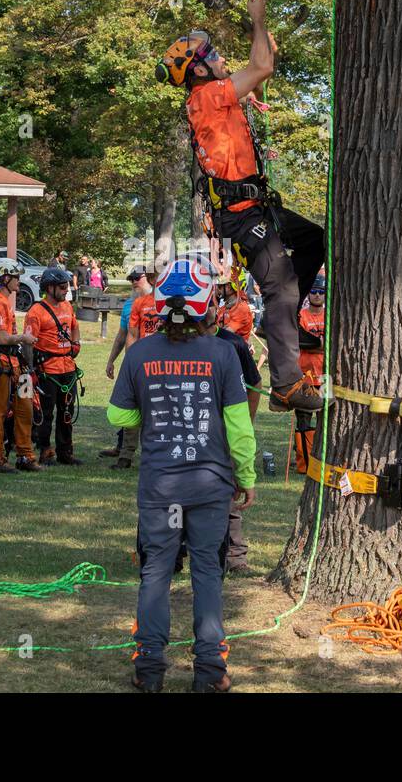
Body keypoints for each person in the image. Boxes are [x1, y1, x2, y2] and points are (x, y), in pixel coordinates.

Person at [156, 0, 324, 414]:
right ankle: (287, 383)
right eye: (212, 54)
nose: (221, 58)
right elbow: (262, 66)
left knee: (314, 241)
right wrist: (258, 18)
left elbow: (263, 62)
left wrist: (263, 33)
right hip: (240, 215)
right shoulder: (209, 96)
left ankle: (276, 321)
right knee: (281, 284)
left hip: (257, 206)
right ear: (198, 68)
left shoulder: (216, 96)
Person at [107, 257, 256, 692]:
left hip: (159, 486)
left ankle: (149, 668)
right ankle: (210, 671)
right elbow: (239, 428)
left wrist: (151, 414)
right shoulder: (223, 354)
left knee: (156, 572)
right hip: (211, 486)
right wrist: (245, 477)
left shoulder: (141, 353)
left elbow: (118, 412)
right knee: (207, 570)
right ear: (205, 304)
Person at [205, 284, 262, 573]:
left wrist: (246, 423)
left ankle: (235, 556)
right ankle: (170, 551)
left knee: (227, 494)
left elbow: (254, 385)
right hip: (192, 431)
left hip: (226, 432)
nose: (211, 311)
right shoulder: (177, 343)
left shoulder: (233, 344)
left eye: (214, 304)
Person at [0, 259, 39, 473]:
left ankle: (25, 455)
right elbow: (2, 337)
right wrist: (24, 337)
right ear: (6, 278)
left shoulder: (6, 302)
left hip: (16, 364)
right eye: (16, 277)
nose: (19, 281)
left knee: (25, 408)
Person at [26, 266, 83, 467]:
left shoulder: (67, 306)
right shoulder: (36, 312)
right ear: (49, 288)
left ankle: (65, 452)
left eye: (66, 286)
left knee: (67, 412)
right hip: (47, 371)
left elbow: (75, 327)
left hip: (67, 368)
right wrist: (31, 370)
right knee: (46, 414)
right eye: (61, 286)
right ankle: (45, 451)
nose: (65, 290)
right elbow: (28, 343)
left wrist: (76, 344)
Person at [102, 266, 152, 469]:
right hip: (137, 363)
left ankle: (153, 456)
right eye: (130, 279)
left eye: (136, 278)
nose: (133, 282)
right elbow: (124, 335)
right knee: (130, 408)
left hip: (159, 364)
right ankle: (125, 456)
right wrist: (112, 360)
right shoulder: (130, 305)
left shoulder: (164, 301)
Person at [293, 275, 327, 473]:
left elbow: (330, 342)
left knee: (327, 418)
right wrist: (319, 345)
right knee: (303, 420)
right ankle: (305, 465)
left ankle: (323, 459)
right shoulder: (301, 316)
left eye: (320, 292)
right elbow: (300, 342)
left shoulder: (330, 315)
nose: (316, 295)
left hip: (326, 376)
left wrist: (314, 345)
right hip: (304, 375)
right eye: (313, 291)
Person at [215, 269, 255, 350]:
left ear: (229, 287)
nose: (217, 289)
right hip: (225, 350)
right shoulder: (226, 307)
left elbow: (224, 334)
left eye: (220, 286)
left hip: (235, 355)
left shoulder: (241, 309)